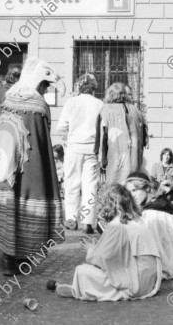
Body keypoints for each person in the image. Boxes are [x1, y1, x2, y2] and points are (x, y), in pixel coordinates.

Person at [0, 57, 64, 275]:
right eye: (45, 84)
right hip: (29, 165)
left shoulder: (7, 98)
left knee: (7, 207)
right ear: (37, 81)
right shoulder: (38, 105)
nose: (45, 88)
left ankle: (8, 259)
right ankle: (18, 258)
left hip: (0, 163)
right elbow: (41, 142)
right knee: (23, 206)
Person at [54, 183, 162, 301]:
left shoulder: (116, 225)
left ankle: (80, 290)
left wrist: (91, 249)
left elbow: (103, 258)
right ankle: (82, 289)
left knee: (82, 271)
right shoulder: (137, 220)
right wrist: (98, 247)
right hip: (150, 283)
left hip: (135, 285)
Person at [56, 73, 103, 234]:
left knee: (71, 184)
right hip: (92, 149)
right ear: (93, 88)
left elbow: (61, 128)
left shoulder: (71, 102)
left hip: (74, 147)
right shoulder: (99, 104)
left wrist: (68, 142)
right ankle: (88, 222)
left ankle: (71, 219)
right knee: (90, 185)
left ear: (79, 87)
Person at [125, 171, 173, 280]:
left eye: (135, 190)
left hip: (161, 267)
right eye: (129, 192)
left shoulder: (151, 214)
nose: (132, 195)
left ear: (147, 189)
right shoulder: (161, 205)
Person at [95, 82, 145, 184]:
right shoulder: (136, 111)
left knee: (114, 187)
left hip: (114, 158)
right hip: (133, 159)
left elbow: (103, 137)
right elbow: (143, 136)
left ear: (110, 94)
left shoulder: (105, 110)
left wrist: (102, 158)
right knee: (130, 187)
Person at [0, 62, 22, 127]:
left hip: (0, 130)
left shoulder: (3, 90)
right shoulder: (10, 92)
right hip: (6, 130)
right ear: (16, 78)